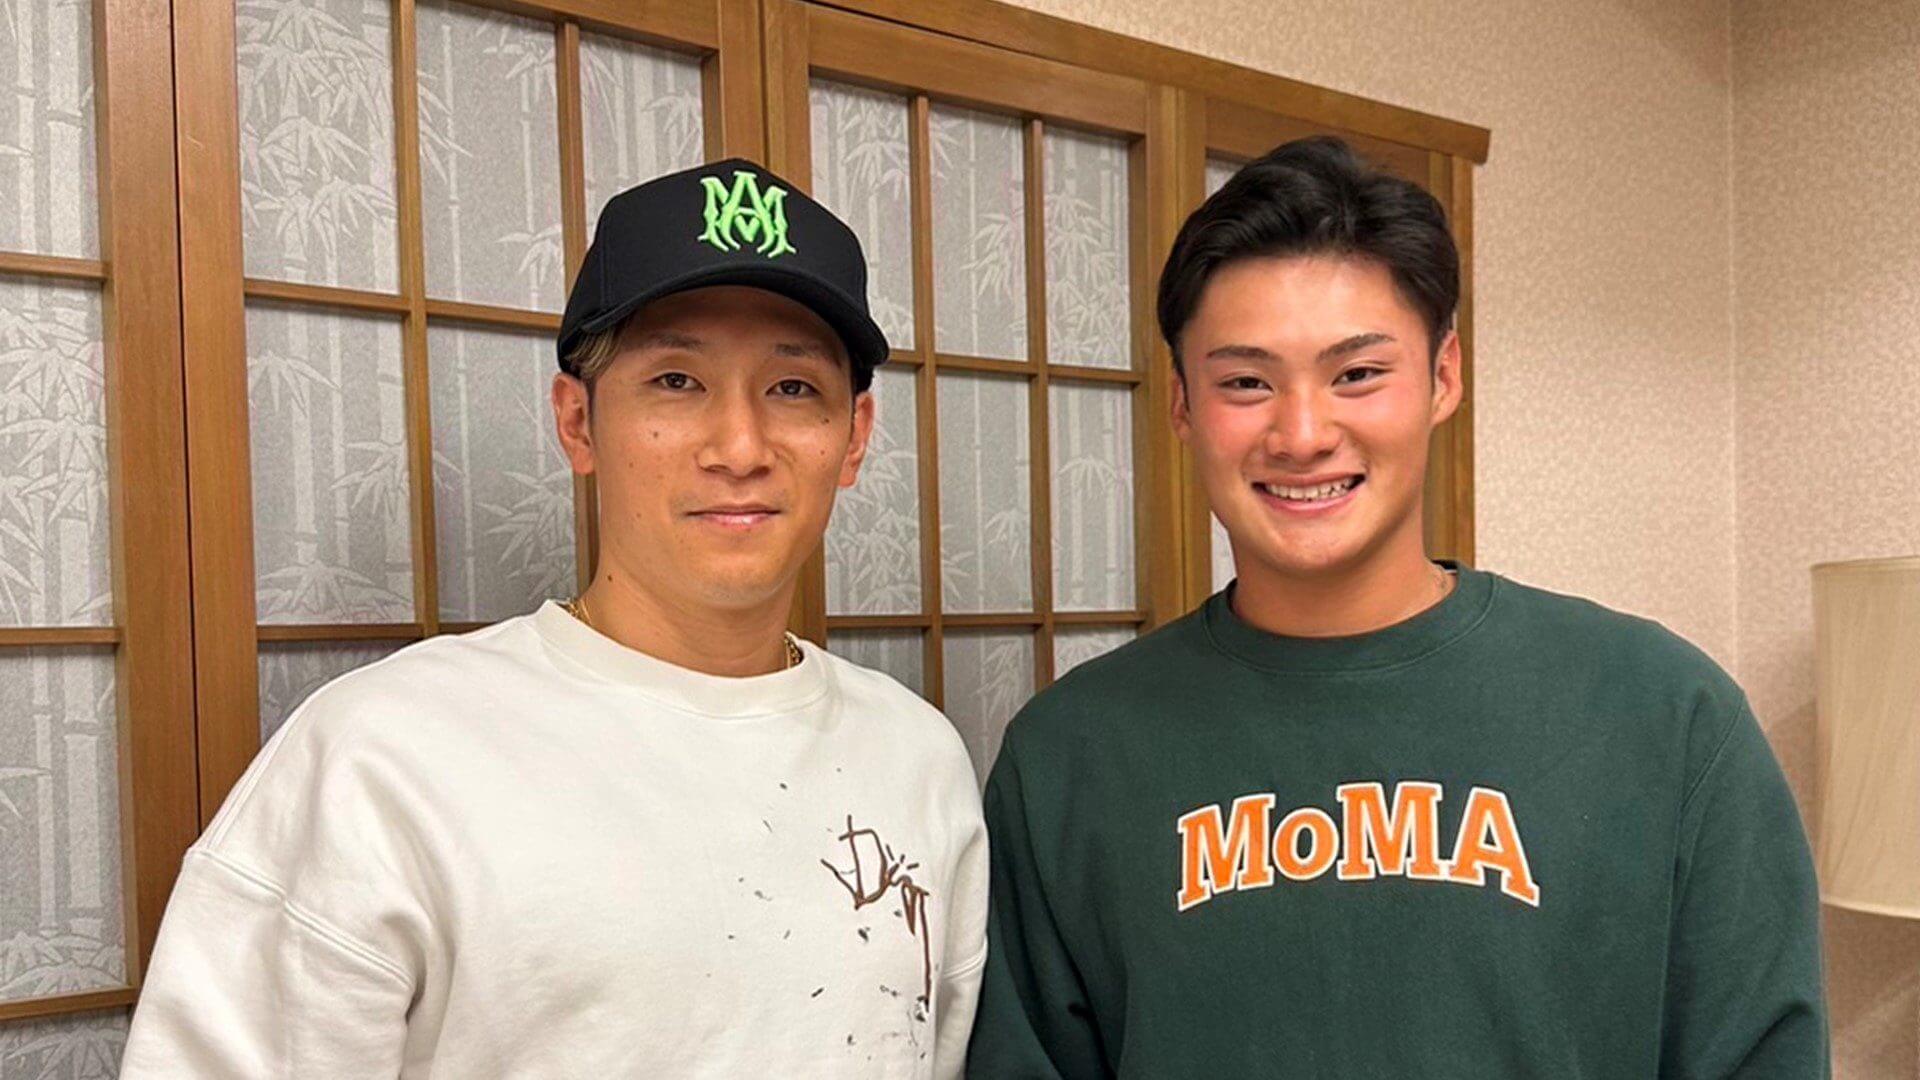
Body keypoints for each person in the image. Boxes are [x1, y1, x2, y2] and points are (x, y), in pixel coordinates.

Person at [966, 137, 1826, 1078]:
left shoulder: (1662, 714)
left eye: (1357, 374)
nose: (1302, 434)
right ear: (1182, 405)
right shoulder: (1070, 756)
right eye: (1246, 382)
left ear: (1444, 376)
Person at [122, 159, 987, 1078]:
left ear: (854, 437)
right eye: (677, 380)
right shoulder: (381, 759)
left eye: (793, 389)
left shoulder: (918, 757)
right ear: (578, 422)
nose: (740, 448)